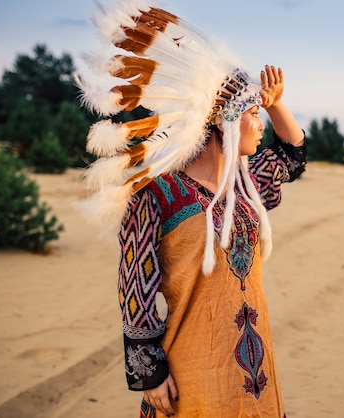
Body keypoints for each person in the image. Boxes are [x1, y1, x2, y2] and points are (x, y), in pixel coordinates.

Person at [77, 2, 305, 417]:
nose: (261, 126)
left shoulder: (246, 185)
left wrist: (273, 103)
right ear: (226, 123)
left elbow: (293, 154)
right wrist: (150, 372)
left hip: (255, 374)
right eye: (253, 115)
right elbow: (134, 286)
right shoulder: (158, 192)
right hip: (191, 368)